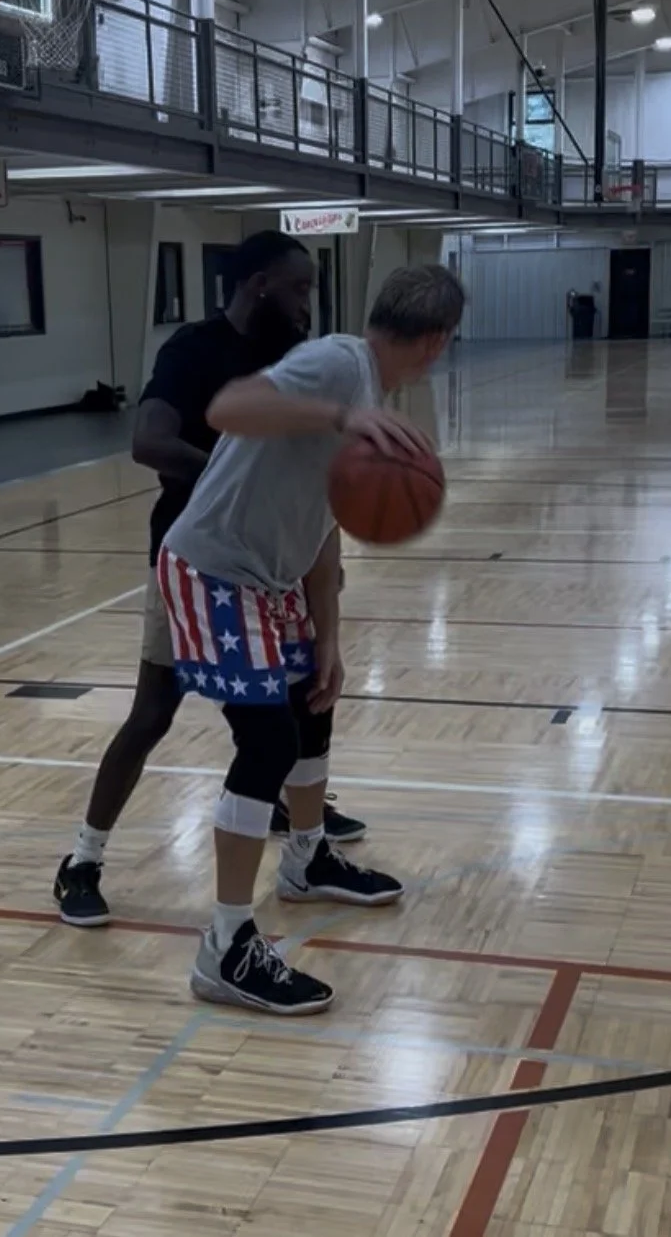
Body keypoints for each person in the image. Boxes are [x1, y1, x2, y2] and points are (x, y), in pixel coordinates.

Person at [160, 263, 466, 1015]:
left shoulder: (368, 393)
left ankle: (305, 860)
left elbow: (325, 525)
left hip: (274, 577)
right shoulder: (339, 364)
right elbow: (228, 407)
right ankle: (226, 947)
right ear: (437, 341)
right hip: (213, 567)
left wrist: (328, 639)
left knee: (313, 705)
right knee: (266, 743)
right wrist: (339, 418)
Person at [54, 231, 367, 928]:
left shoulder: (294, 363)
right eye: (299, 287)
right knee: (152, 715)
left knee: (299, 706)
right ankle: (82, 860)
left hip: (272, 568)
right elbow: (148, 441)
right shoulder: (194, 351)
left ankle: (301, 833)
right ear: (260, 284)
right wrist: (234, 480)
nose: (307, 303)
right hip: (193, 566)